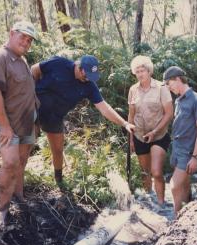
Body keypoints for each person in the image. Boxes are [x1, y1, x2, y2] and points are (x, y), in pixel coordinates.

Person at [31, 55, 134, 185]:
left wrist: (124, 123)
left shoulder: (89, 86)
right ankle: (16, 182)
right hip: (35, 107)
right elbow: (34, 70)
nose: (88, 79)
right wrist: (30, 94)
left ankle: (59, 181)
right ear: (80, 68)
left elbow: (104, 108)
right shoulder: (59, 63)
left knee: (57, 149)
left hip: (55, 117)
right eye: (87, 75)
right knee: (28, 144)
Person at [0, 21, 39, 225]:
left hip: (25, 119)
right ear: (12, 33)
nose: (26, 42)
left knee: (22, 161)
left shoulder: (21, 59)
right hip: (5, 121)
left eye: (30, 39)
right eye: (23, 37)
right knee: (10, 162)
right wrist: (5, 126)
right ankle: (2, 210)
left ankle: (19, 197)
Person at [127, 56, 173, 207]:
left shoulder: (161, 88)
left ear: (149, 71)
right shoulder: (133, 90)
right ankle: (149, 203)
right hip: (140, 136)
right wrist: (131, 139)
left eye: (143, 70)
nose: (140, 74)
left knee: (157, 172)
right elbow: (131, 116)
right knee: (145, 172)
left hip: (159, 135)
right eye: (137, 71)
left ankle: (161, 205)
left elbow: (169, 113)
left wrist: (155, 131)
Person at [163, 66, 197, 217]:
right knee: (184, 183)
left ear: (178, 79)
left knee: (174, 186)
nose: (168, 88)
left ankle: (176, 220)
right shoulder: (178, 101)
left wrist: (195, 157)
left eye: (169, 84)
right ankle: (190, 209)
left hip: (188, 151)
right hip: (176, 147)